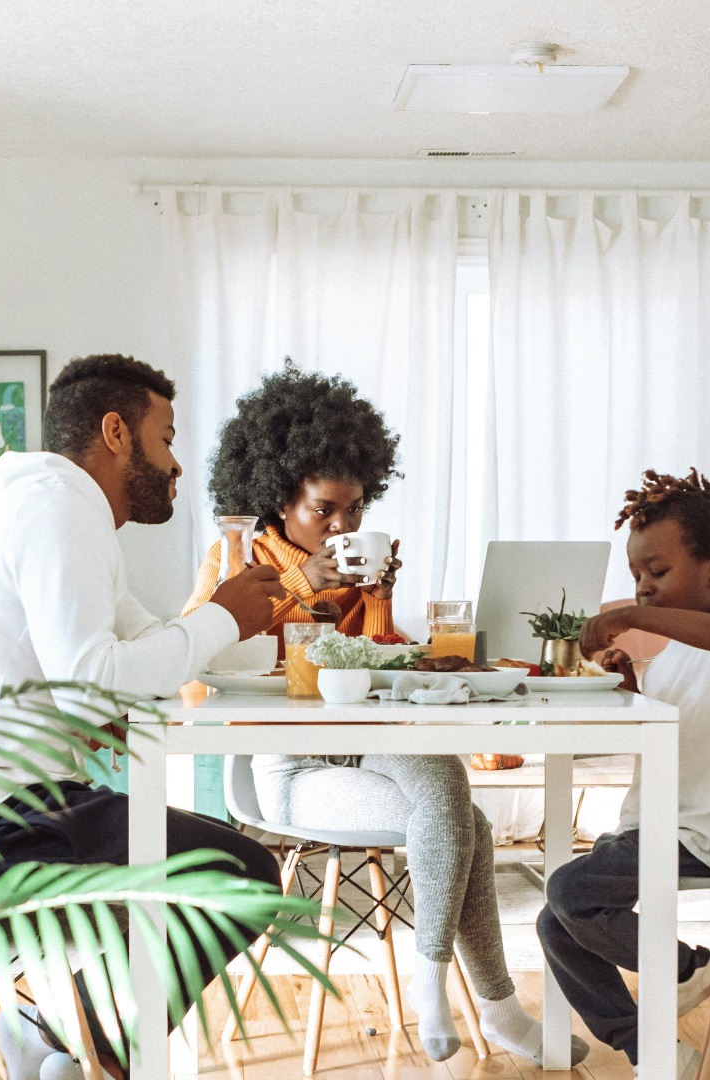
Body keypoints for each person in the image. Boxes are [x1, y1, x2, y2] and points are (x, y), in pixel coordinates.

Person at [181, 367, 586, 1066]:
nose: (343, 527)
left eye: (355, 509)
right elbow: (195, 675)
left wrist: (378, 605)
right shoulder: (237, 558)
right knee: (466, 820)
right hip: (291, 766)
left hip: (367, 744)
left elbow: (369, 672)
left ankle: (439, 985)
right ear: (278, 496)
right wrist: (303, 584)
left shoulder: (353, 563)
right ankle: (487, 1006)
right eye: (324, 510)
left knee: (446, 785)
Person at [0, 354, 289, 1077]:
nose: (176, 465)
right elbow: (97, 680)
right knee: (242, 874)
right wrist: (223, 616)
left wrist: (216, 621)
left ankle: (57, 1034)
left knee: (235, 868)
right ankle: (84, 1047)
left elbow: (137, 652)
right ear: (116, 432)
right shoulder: (58, 508)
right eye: (166, 439)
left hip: (6, 803)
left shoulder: (60, 511)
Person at [534, 469, 710, 1078]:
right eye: (637, 575)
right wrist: (630, 679)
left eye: (657, 573)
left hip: (701, 836)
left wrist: (633, 619)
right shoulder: (676, 654)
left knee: (568, 894)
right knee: (555, 924)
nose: (643, 587)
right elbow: (666, 724)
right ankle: (656, 1055)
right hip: (652, 828)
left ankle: (688, 968)